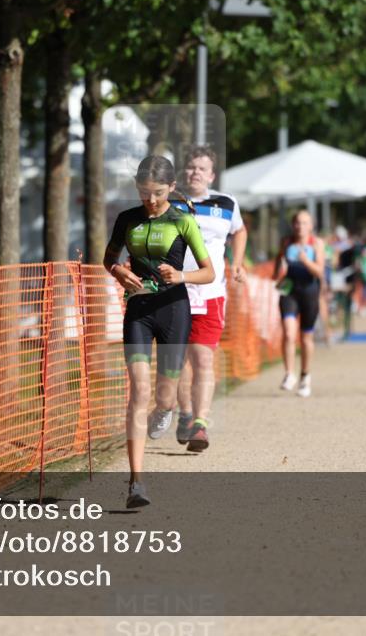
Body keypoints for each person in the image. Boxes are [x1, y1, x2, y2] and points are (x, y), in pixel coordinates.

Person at [104, 155, 214, 508]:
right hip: (138, 310)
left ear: (172, 188)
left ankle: (166, 410)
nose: (150, 200)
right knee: (138, 391)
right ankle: (136, 483)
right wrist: (118, 272)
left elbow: (209, 272)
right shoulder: (127, 219)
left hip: (173, 311)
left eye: (158, 192)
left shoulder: (183, 222)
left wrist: (181, 275)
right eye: (144, 192)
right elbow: (109, 258)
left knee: (164, 395)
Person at [167, 146, 247, 454]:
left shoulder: (225, 203)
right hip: (172, 294)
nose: (195, 172)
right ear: (183, 172)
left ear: (211, 175)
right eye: (190, 167)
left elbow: (239, 232)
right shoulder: (169, 202)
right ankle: (185, 413)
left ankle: (200, 423)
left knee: (202, 358)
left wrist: (237, 262)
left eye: (202, 168)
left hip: (210, 293)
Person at [274, 210, 326, 397]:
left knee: (305, 338)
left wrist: (305, 261)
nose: (300, 226)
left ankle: (305, 376)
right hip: (289, 291)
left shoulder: (317, 243)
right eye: (297, 222)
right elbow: (277, 269)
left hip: (309, 292)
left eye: (304, 223)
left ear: (311, 226)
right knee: (288, 333)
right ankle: (289, 374)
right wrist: (279, 272)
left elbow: (320, 272)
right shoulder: (286, 242)